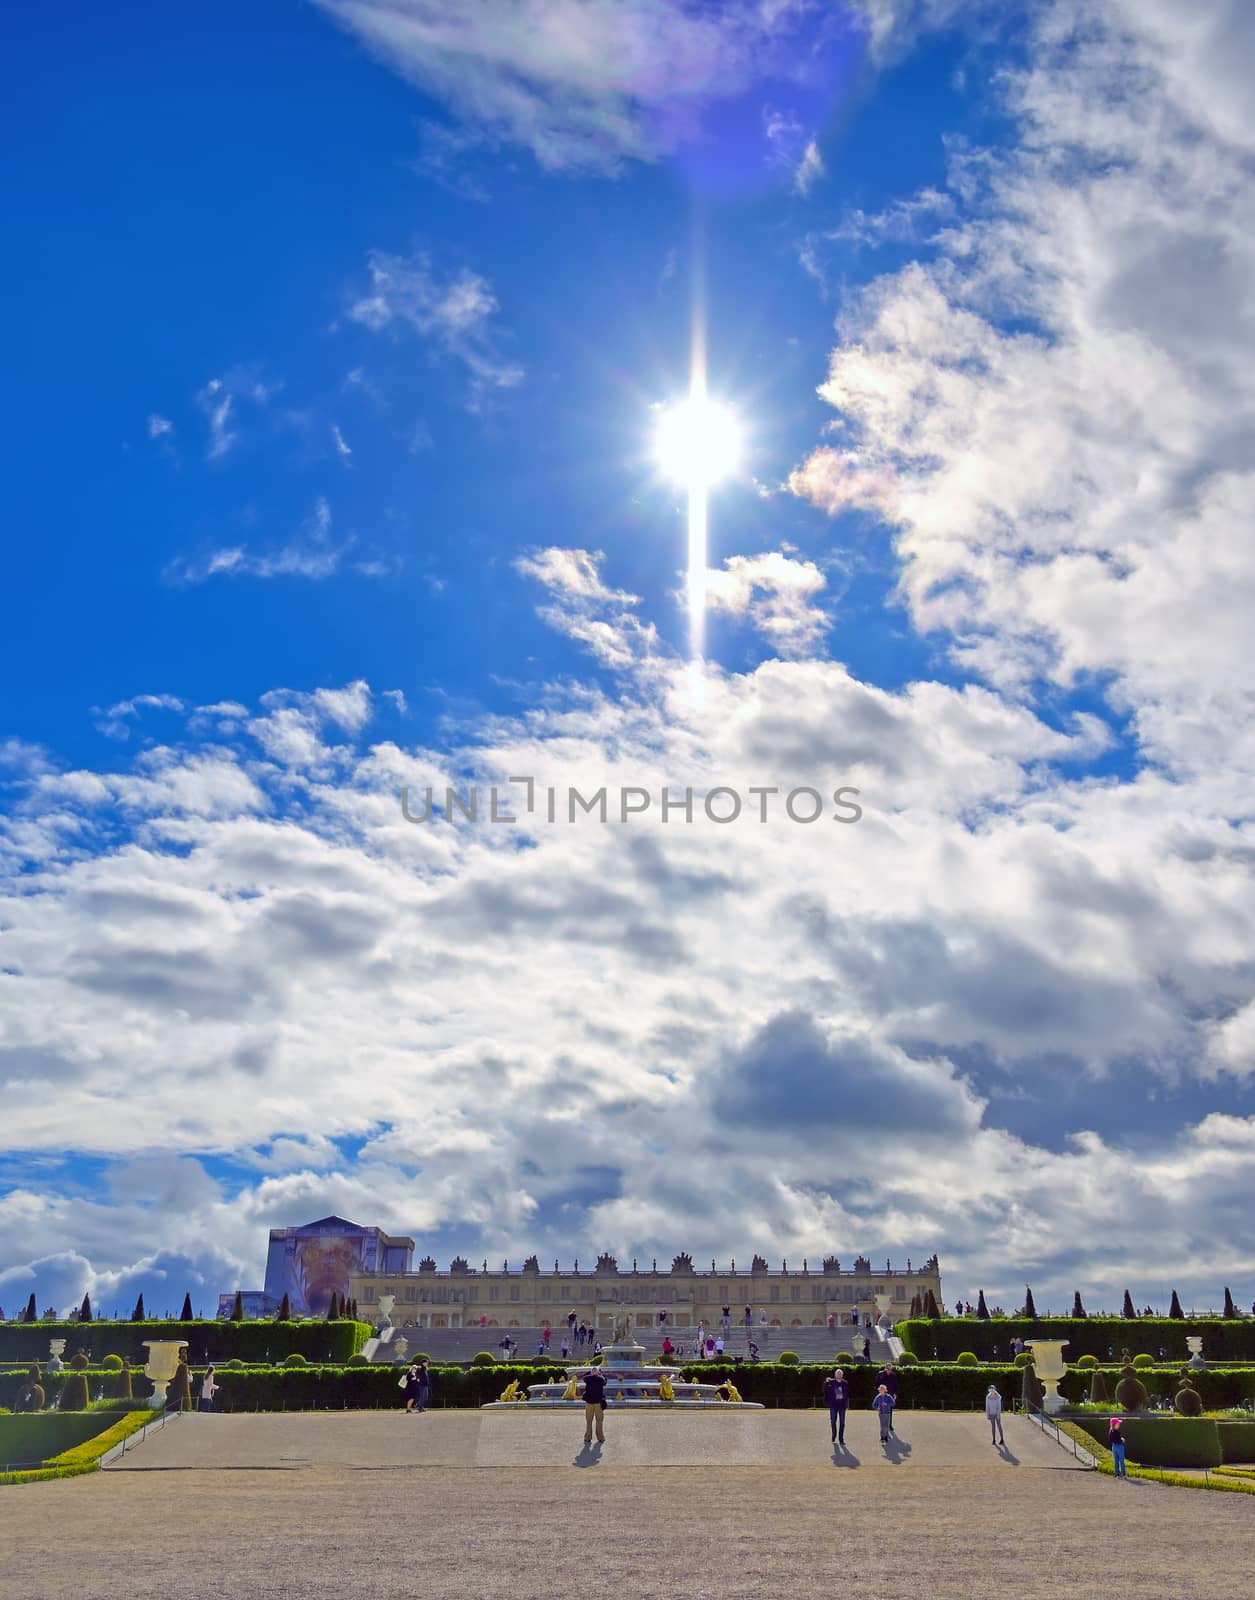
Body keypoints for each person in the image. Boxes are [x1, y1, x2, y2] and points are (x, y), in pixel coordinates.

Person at [823, 1367, 850, 1446]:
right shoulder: (830, 1382)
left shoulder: (845, 1383)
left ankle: (841, 1439)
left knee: (842, 1423)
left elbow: (847, 1394)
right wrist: (825, 1382)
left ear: (842, 1375)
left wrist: (846, 1404)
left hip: (842, 1406)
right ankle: (833, 1436)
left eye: (840, 1374)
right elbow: (824, 1390)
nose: (839, 1375)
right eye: (837, 1374)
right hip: (833, 1405)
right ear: (835, 1375)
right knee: (833, 1421)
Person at [582, 1366, 607, 1444]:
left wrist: (591, 1372)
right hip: (598, 1403)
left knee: (589, 1421)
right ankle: (600, 1437)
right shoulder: (600, 1379)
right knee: (599, 1421)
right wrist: (599, 1374)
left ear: (591, 1372)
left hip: (589, 1402)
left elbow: (584, 1376)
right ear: (598, 1372)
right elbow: (605, 1382)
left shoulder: (587, 1378)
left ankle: (587, 1438)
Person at [875, 1362, 899, 1432]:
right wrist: (879, 1392)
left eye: (890, 1369)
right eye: (888, 1369)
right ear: (885, 1368)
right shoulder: (880, 1374)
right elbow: (876, 1384)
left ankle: (889, 1425)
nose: (889, 1370)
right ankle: (883, 1425)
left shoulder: (893, 1375)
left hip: (890, 1395)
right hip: (882, 1395)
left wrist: (895, 1393)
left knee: (889, 1410)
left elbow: (896, 1385)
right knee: (882, 1410)